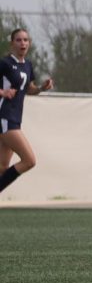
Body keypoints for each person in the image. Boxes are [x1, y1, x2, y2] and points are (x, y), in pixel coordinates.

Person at [0, 28, 54, 196]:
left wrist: (40, 88)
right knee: (29, 160)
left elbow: (28, 89)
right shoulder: (5, 63)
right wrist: (3, 92)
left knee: (2, 168)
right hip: (5, 117)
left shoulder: (28, 65)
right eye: (19, 40)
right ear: (12, 43)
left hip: (15, 118)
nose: (23, 43)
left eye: (25, 40)